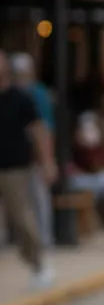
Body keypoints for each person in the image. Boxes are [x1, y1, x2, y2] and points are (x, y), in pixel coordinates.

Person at [0, 51, 56, 288]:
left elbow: (39, 130)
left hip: (16, 167)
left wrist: (47, 162)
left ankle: (37, 262)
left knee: (22, 217)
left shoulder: (23, 98)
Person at [10, 53, 54, 247]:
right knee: (21, 202)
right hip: (16, 160)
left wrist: (48, 159)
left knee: (39, 199)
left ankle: (44, 239)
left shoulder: (38, 94)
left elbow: (45, 129)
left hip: (35, 158)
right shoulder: (9, 94)